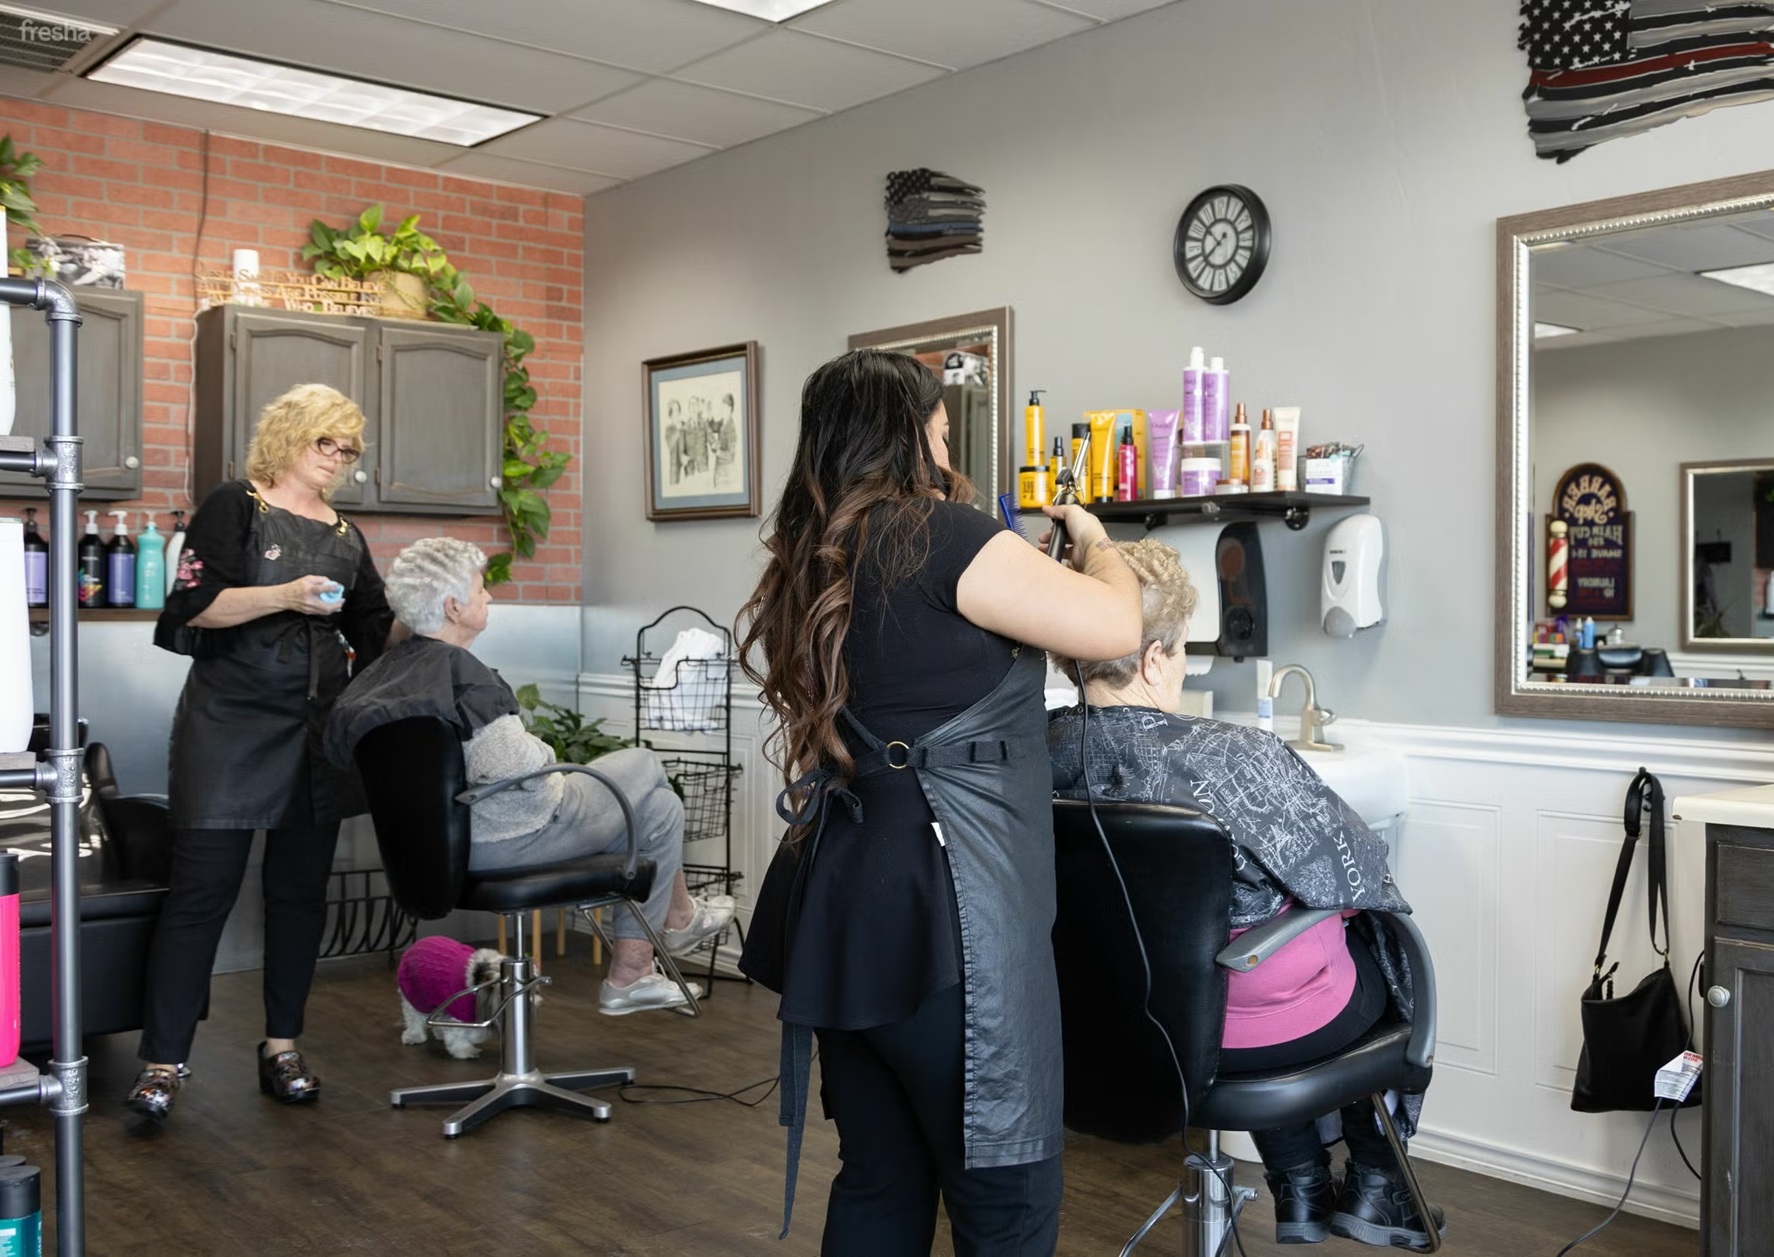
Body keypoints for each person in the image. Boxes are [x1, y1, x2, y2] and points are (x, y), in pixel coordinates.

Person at [737, 347, 1141, 1255]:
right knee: (1005, 1201)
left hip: (839, 902)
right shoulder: (942, 534)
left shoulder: (812, 551)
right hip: (946, 912)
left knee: (881, 1179)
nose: (946, 445)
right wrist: (1096, 543)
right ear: (913, 430)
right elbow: (1119, 627)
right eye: (942, 427)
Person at [1047, 539, 1444, 1251]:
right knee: (1376, 935)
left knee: (1273, 948)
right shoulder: (1234, 757)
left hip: (1101, 1028)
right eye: (1178, 652)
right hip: (1236, 1033)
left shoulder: (1031, 753)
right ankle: (1373, 1183)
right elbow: (1353, 864)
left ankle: (1304, 1182)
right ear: (1151, 659)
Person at [131, 383, 400, 1122]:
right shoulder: (234, 506)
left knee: (297, 898)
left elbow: (377, 631)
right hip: (229, 726)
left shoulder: (346, 534)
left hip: (317, 735)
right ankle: (163, 1061)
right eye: (328, 442)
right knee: (199, 897)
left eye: (349, 449)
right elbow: (193, 609)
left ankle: (282, 1046)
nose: (339, 459)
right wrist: (285, 594)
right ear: (290, 435)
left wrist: (438, 616)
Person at [323, 537, 735, 1012]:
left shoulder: (383, 676)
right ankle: (666, 935)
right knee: (644, 762)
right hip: (517, 833)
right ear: (454, 607)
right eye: (481, 590)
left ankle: (637, 969)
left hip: (436, 850)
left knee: (661, 808)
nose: (489, 597)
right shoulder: (462, 675)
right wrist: (540, 745)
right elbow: (526, 774)